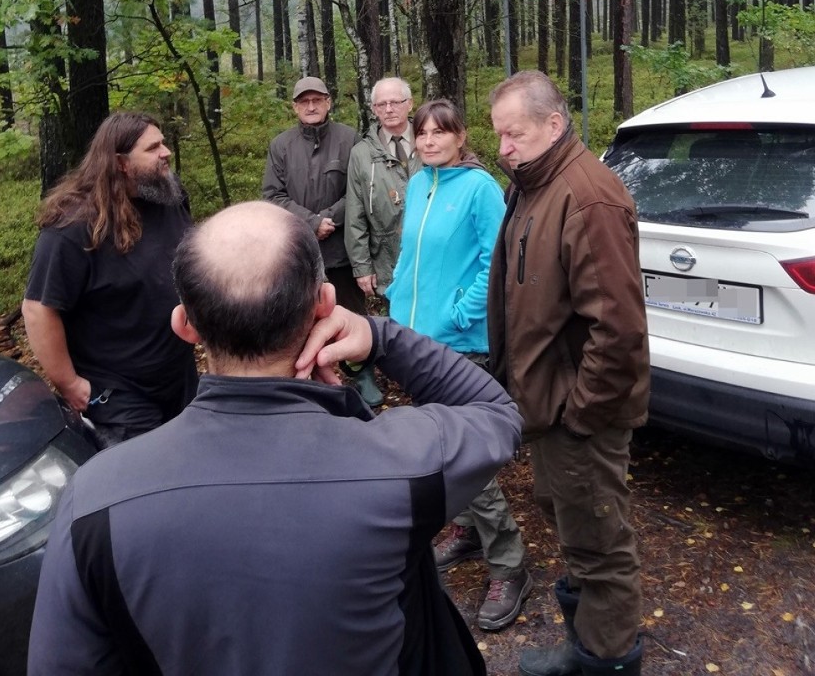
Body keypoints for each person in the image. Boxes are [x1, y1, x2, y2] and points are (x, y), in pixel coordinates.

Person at [28, 201, 524, 676]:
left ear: (185, 325)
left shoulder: (95, 499)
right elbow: (495, 412)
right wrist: (380, 336)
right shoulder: (400, 463)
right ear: (324, 304)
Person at [487, 71, 650, 676]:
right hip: (549, 408)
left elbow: (619, 328)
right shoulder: (535, 184)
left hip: (578, 415)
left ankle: (606, 661)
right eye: (499, 134)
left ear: (553, 125)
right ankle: (584, 647)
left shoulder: (587, 197)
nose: (503, 147)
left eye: (514, 133)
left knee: (600, 544)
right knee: (574, 527)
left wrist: (580, 415)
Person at [387, 99, 531, 633]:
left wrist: (457, 313)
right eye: (421, 133)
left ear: (460, 136)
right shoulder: (423, 183)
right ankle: (469, 531)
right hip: (416, 336)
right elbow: (411, 254)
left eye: (438, 133)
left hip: (460, 342)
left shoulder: (478, 188)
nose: (428, 141)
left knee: (460, 454)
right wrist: (396, 299)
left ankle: (510, 565)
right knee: (446, 445)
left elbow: (496, 262)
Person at [22, 111, 197, 448]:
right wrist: (69, 383)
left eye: (163, 143)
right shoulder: (73, 228)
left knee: (187, 467)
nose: (166, 152)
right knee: (142, 484)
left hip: (179, 375)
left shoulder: (168, 195)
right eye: (153, 147)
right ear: (120, 163)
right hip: (119, 394)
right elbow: (38, 309)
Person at [261, 76, 376, 405]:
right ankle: (306, 377)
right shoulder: (281, 145)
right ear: (295, 107)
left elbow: (358, 190)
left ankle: (360, 373)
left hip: (342, 248)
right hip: (299, 249)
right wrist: (311, 223)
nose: (311, 107)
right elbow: (272, 196)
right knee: (301, 314)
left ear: (328, 102)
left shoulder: (349, 139)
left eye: (317, 100)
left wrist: (331, 219)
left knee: (350, 311)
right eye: (304, 102)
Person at [344, 76, 419, 304]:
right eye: (381, 104)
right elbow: (355, 214)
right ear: (374, 109)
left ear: (410, 103)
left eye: (395, 102)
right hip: (387, 259)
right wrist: (362, 266)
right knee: (399, 327)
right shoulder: (361, 154)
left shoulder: (430, 141)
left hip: (432, 256)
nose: (389, 109)